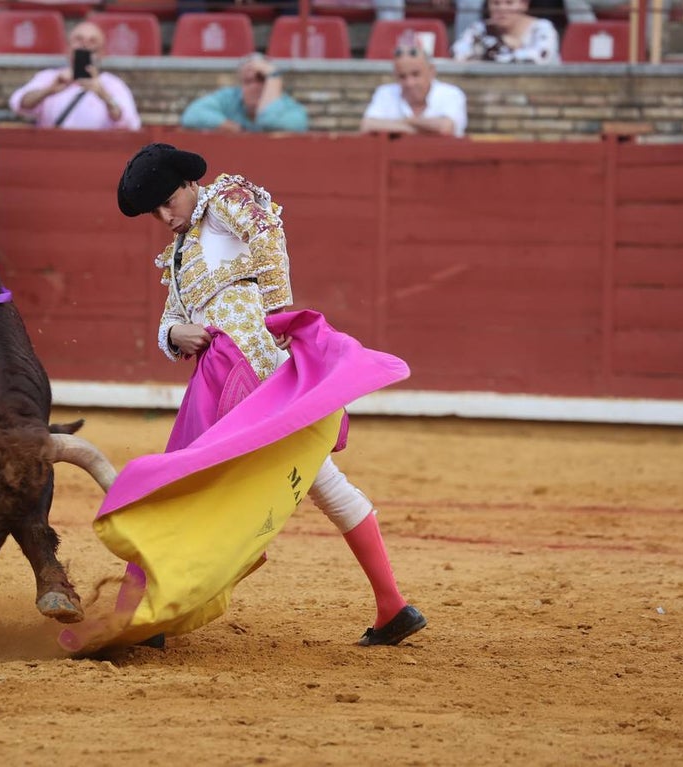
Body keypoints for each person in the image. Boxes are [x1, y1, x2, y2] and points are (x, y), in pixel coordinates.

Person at [115, 143, 428, 647]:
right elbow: (172, 316)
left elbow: (267, 232)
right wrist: (177, 335)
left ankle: (147, 611)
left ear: (191, 184)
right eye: (152, 211)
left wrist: (281, 312)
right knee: (322, 481)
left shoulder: (223, 201)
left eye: (166, 201)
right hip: (223, 380)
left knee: (187, 479)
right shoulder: (177, 255)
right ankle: (392, 605)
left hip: (257, 372)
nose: (162, 215)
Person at [8, 21, 141, 131]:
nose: (85, 45)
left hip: (95, 153)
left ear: (101, 53)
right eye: (79, 39)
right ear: (67, 48)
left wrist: (104, 95)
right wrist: (48, 90)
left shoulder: (112, 84)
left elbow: (132, 124)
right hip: (52, 151)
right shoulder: (50, 77)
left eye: (92, 41)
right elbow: (18, 103)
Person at [360, 35, 467, 138]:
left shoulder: (451, 93)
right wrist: (421, 129)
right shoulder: (385, 93)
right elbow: (367, 126)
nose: (409, 83)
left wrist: (408, 121)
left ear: (431, 71)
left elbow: (446, 128)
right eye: (402, 76)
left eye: (415, 74)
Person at [179, 53, 309, 133]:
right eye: (248, 81)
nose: (255, 86)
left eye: (262, 80)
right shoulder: (230, 97)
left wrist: (273, 75)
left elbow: (268, 121)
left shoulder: (290, 107)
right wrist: (231, 127)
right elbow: (191, 115)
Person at [451, 0, 561, 63]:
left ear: (524, 5)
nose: (502, 9)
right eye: (496, 3)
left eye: (509, 3)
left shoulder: (542, 28)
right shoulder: (480, 27)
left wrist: (490, 54)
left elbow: (539, 58)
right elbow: (458, 52)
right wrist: (502, 44)